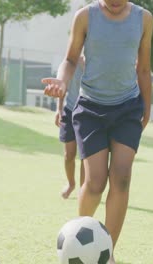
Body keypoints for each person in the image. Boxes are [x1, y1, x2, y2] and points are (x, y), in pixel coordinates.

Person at [42, 0, 153, 262]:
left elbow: (144, 68)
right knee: (94, 183)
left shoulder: (144, 19)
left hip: (128, 107)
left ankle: (108, 253)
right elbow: (70, 59)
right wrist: (62, 81)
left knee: (122, 177)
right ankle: (78, 246)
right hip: (90, 109)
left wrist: (146, 108)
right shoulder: (85, 17)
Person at [56, 56, 85, 199]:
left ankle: (83, 190)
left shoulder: (95, 61)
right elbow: (63, 85)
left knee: (85, 157)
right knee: (69, 155)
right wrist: (59, 109)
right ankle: (71, 183)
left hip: (87, 112)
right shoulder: (71, 60)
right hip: (69, 111)